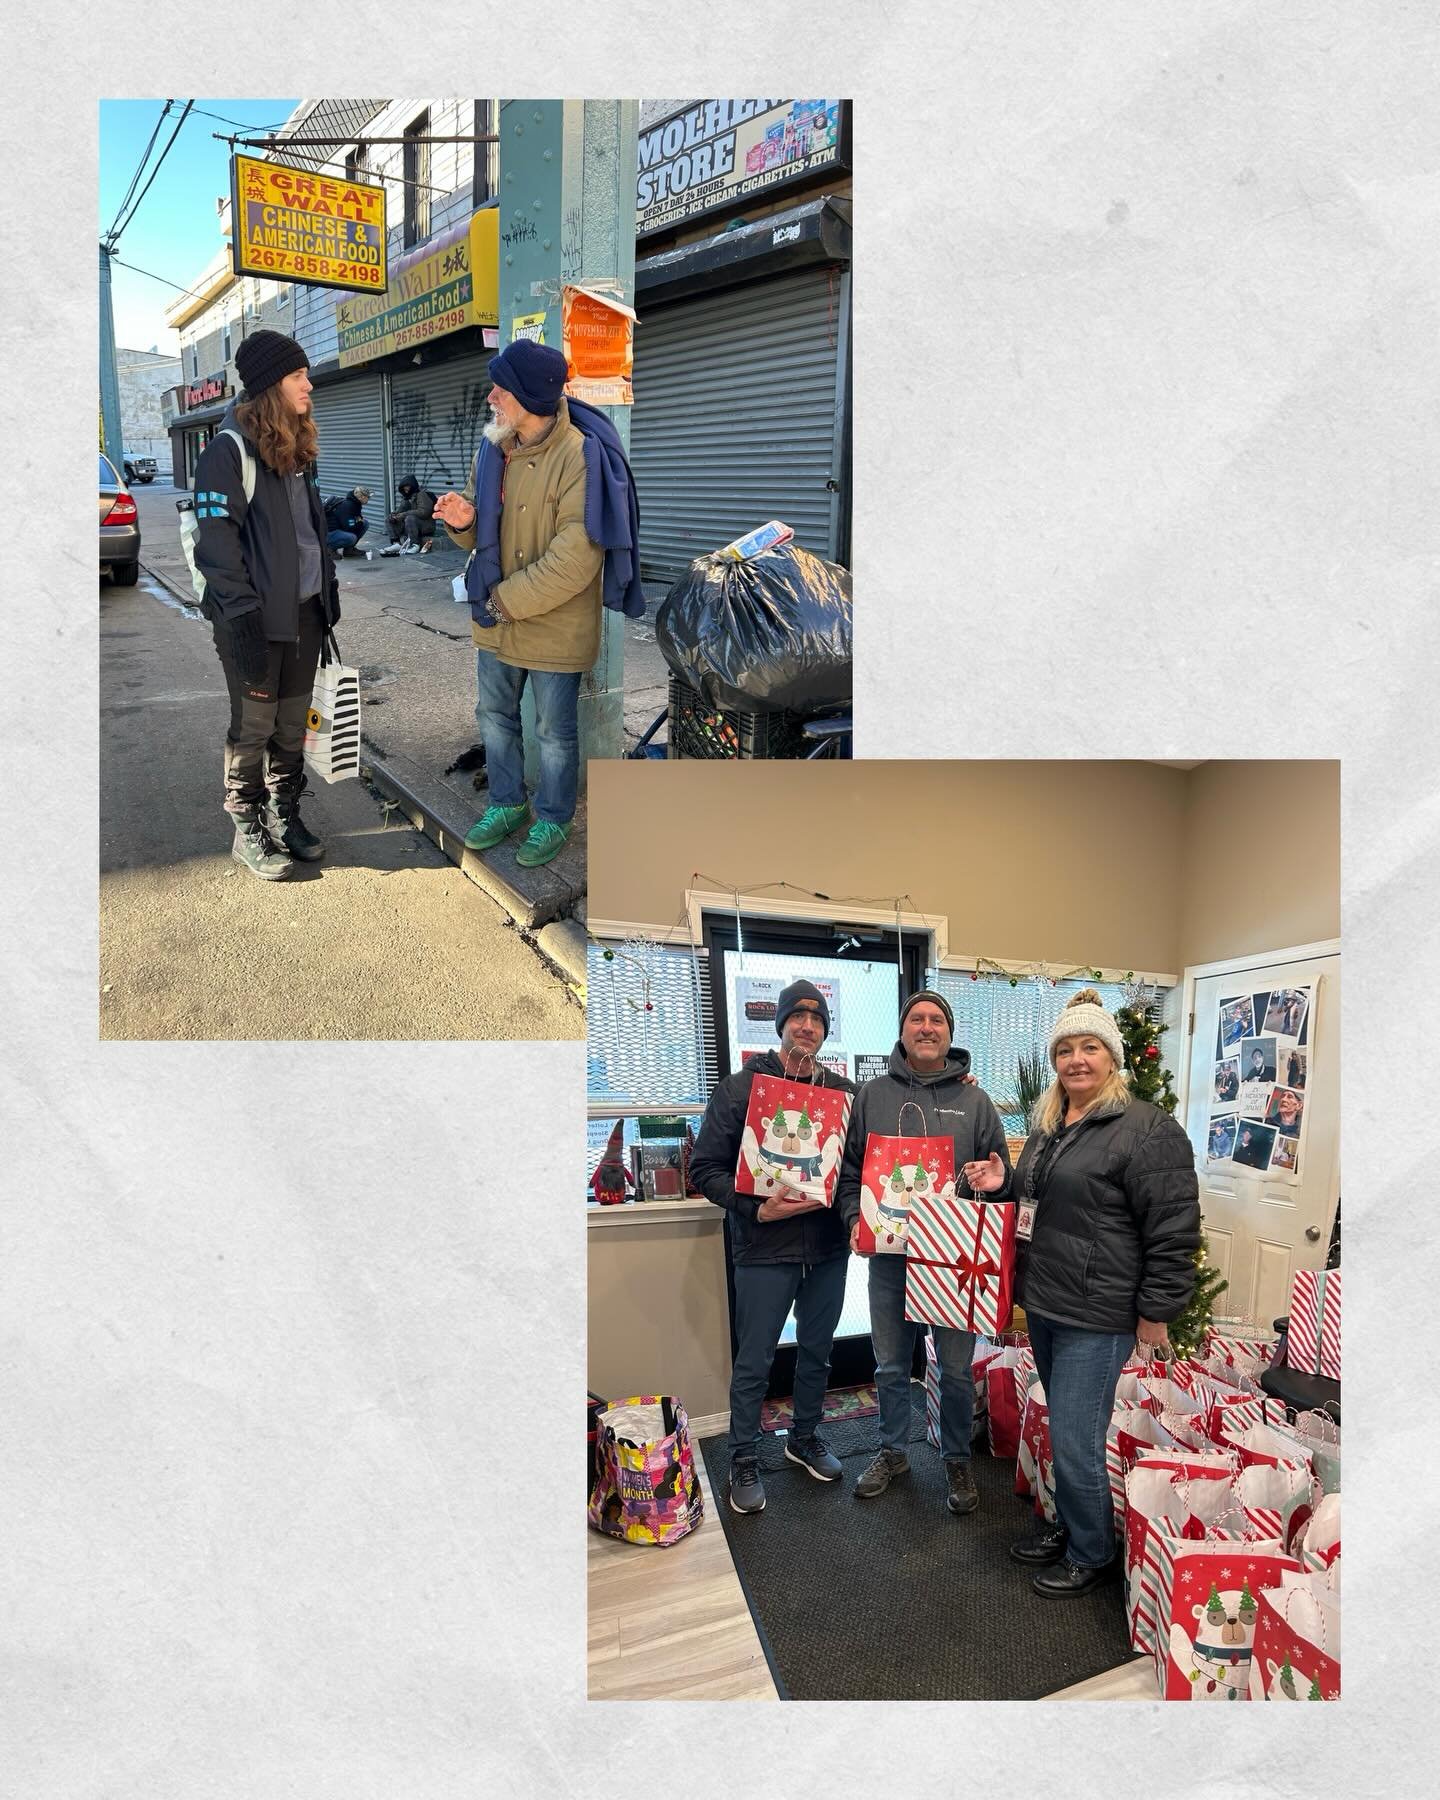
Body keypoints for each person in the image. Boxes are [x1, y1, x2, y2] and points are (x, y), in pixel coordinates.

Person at [964, 989, 1200, 1595]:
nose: (1076, 1059)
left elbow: (1173, 1231)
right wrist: (1002, 1181)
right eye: (1065, 1049)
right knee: (1063, 1429)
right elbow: (1042, 1201)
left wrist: (1156, 1315)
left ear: (1112, 1057)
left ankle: (1092, 1551)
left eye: (1089, 1047)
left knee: (1074, 1436)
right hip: (1045, 1301)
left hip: (1098, 1313)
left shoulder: (1148, 1131)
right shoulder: (1050, 1124)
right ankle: (1070, 1524)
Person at [434, 338, 643, 870]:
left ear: (527, 397)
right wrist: (464, 521)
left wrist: (501, 602)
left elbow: (576, 559)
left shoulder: (581, 455)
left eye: (500, 389)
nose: (491, 398)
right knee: (495, 718)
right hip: (498, 623)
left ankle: (552, 816)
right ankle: (505, 805)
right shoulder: (493, 447)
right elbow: (485, 529)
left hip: (550, 625)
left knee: (553, 732)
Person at [835, 991, 1011, 1518]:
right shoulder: (871, 1096)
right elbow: (848, 1173)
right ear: (904, 1030)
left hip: (952, 1259)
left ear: (949, 1034)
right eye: (918, 1019)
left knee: (955, 1370)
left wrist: (992, 1183)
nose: (928, 1027)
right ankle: (893, 1452)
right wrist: (852, 1219)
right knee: (889, 1363)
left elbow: (1002, 1178)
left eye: (937, 1020)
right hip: (889, 1257)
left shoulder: (976, 1102)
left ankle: (956, 1458)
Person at [689, 981, 857, 1515]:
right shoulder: (743, 1088)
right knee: (755, 1360)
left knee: (817, 1352)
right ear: (781, 1023)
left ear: (825, 1030)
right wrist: (754, 1209)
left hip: (828, 1247)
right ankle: (742, 1455)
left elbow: (861, 1163)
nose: (807, 1025)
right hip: (763, 1247)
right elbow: (705, 1168)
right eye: (797, 1016)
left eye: (817, 1018)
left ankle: (803, 1438)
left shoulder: (843, 1093)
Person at [192, 329, 340, 880]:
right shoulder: (226, 452)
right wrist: (241, 620)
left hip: (303, 613)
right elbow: (216, 546)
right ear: (270, 387)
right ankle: (246, 826)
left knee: (291, 724)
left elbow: (308, 532)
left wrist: (326, 591)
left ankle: (285, 813)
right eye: (298, 376)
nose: (310, 384)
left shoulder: (298, 447)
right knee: (252, 727)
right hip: (251, 620)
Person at [380, 475, 436, 555]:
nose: (405, 488)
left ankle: (415, 545)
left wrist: (404, 514)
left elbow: (424, 512)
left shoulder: (422, 494)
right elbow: (400, 511)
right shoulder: (406, 498)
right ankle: (396, 543)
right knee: (389, 519)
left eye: (407, 486)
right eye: (404, 487)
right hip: (411, 526)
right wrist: (395, 515)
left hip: (426, 525)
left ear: (413, 485)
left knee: (409, 518)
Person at [323, 485, 371, 558]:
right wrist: (359, 521)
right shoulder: (348, 505)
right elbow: (349, 527)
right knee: (351, 538)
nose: (369, 499)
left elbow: (356, 520)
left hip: (337, 529)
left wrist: (359, 521)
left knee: (365, 523)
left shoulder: (355, 503)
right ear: (362, 497)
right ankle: (329, 549)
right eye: (368, 497)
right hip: (328, 533)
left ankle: (349, 550)